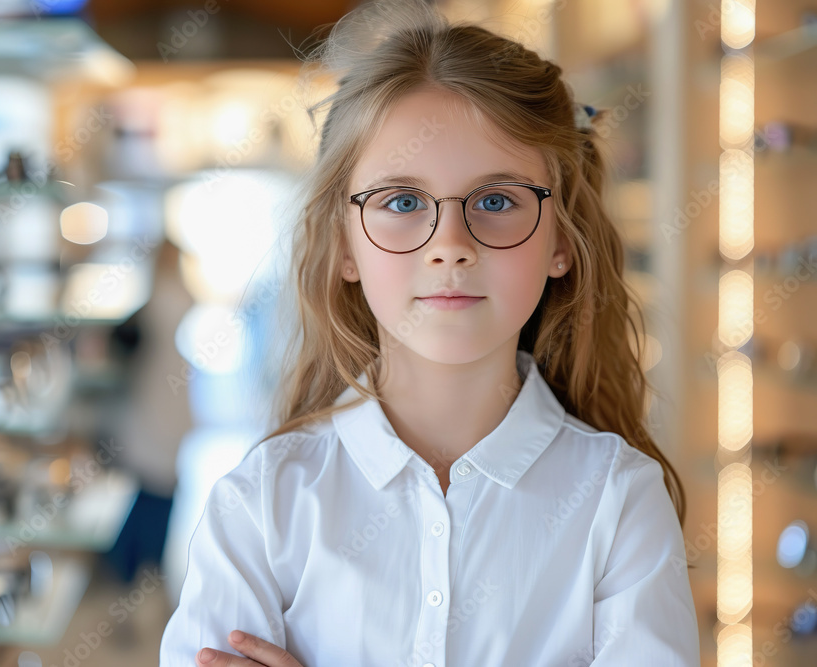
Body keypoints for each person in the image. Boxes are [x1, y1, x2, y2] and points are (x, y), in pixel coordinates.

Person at [159, 0, 701, 665]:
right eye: (403, 202)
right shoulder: (264, 503)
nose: (450, 244)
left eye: (497, 200)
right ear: (344, 244)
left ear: (562, 237)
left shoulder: (620, 503)